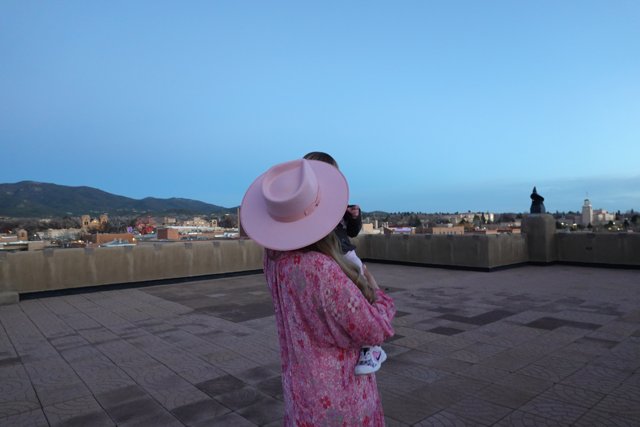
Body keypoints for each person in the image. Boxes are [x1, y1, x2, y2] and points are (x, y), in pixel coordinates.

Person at [240, 159, 396, 426]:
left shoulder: (274, 260)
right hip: (339, 397)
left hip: (300, 388)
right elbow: (374, 329)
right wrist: (378, 294)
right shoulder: (321, 269)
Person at [303, 151, 387, 375]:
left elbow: (352, 232)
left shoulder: (337, 205)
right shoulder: (314, 207)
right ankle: (370, 346)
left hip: (344, 253)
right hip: (329, 256)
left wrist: (354, 216)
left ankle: (372, 349)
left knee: (365, 294)